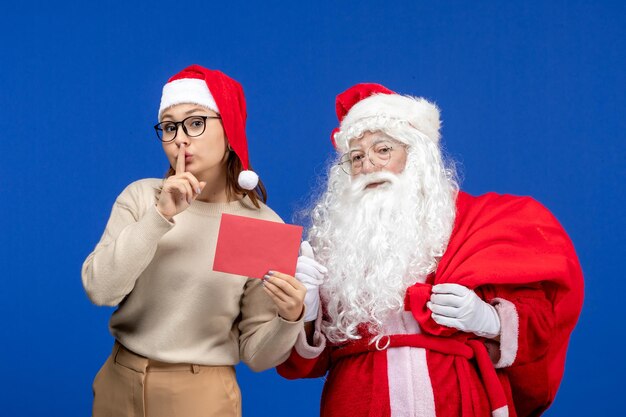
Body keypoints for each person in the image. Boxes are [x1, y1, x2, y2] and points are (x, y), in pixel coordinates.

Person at [279, 83, 584, 417]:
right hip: (359, 400)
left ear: (416, 156)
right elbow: (305, 365)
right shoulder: (333, 247)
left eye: (383, 150)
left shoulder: (476, 224)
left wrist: (490, 319)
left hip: (458, 399)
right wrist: (305, 315)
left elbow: (545, 318)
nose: (368, 166)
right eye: (356, 157)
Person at [82, 64, 306, 417]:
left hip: (200, 397)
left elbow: (257, 354)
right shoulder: (142, 198)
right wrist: (160, 216)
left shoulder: (261, 225)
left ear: (229, 129)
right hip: (118, 383)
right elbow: (101, 289)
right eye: (170, 127)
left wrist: (290, 317)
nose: (181, 138)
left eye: (196, 122)